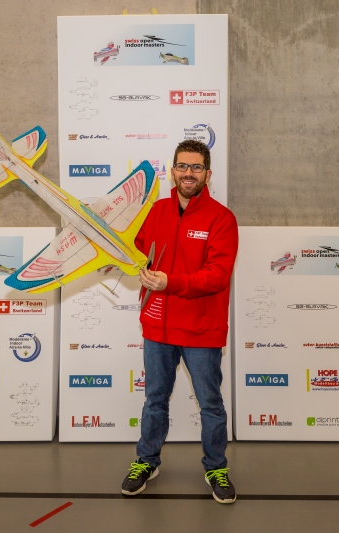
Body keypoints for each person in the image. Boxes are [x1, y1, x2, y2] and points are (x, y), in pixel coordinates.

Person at [121, 139, 239, 504]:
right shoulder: (155, 212)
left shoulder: (221, 218)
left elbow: (217, 275)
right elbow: (135, 251)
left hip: (201, 329)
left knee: (210, 404)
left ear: (207, 173)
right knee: (154, 400)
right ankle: (146, 461)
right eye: (183, 166)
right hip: (159, 326)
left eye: (196, 167)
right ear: (172, 171)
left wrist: (171, 282)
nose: (189, 173)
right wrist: (118, 254)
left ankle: (216, 467)